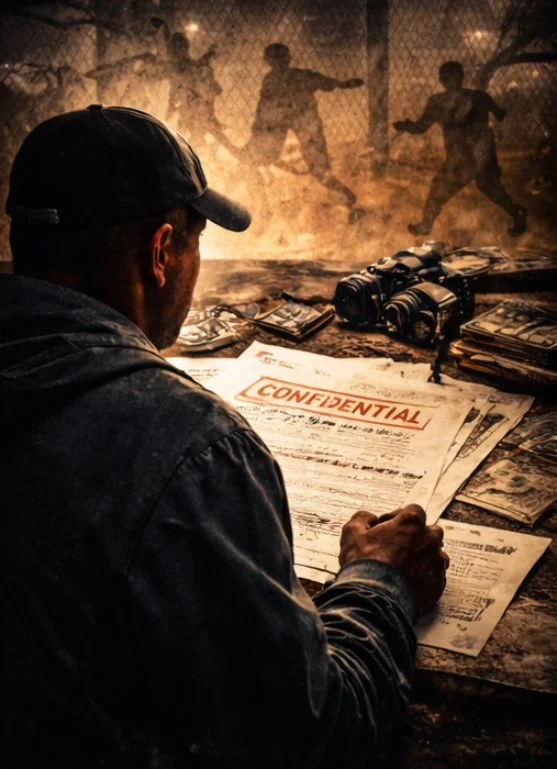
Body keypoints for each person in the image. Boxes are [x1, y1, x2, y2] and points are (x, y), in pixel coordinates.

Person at [1, 104, 448, 768]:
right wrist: (379, 580)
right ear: (160, 253)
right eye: (195, 238)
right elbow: (318, 739)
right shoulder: (190, 450)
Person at [394, 60, 527, 237]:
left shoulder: (447, 101)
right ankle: (516, 214)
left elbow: (420, 128)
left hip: (471, 156)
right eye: (447, 78)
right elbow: (500, 114)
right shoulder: (473, 98)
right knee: (474, 187)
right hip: (470, 156)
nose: (450, 82)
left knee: (469, 188)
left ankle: (426, 224)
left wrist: (406, 126)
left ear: (453, 79)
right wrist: (407, 126)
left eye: (451, 78)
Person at [245, 42, 365, 222]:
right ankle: (345, 198)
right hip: (295, 123)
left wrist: (259, 129)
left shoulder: (280, 79)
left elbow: (263, 109)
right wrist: (342, 84)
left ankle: (346, 199)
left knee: (262, 160)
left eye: (279, 58)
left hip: (295, 122)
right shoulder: (295, 77)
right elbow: (325, 82)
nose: (279, 62)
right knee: (317, 168)